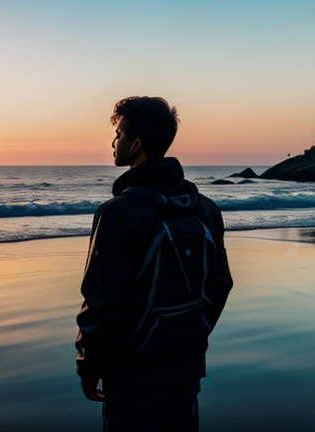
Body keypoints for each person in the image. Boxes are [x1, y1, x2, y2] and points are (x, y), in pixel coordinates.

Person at [76, 96, 234, 432]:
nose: (113, 142)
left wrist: (89, 366)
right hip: (187, 367)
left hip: (131, 372)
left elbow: (102, 301)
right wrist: (189, 338)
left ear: (135, 145)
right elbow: (221, 284)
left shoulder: (117, 213)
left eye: (118, 135)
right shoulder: (205, 209)